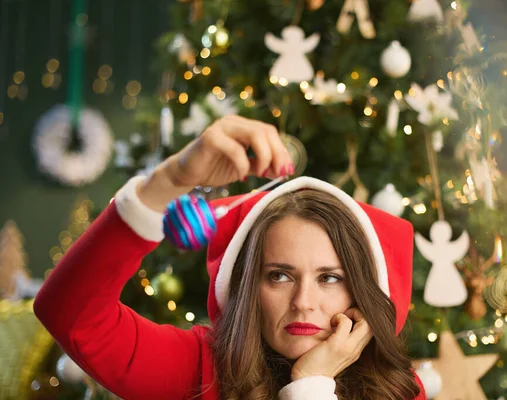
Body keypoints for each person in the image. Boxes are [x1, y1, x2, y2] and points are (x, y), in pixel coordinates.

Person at [34, 115, 427, 399]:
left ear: (361, 291)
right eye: (279, 275)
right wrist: (169, 182)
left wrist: (311, 383)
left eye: (329, 278)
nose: (303, 302)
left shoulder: (400, 391)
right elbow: (71, 314)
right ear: (248, 284)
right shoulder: (198, 369)